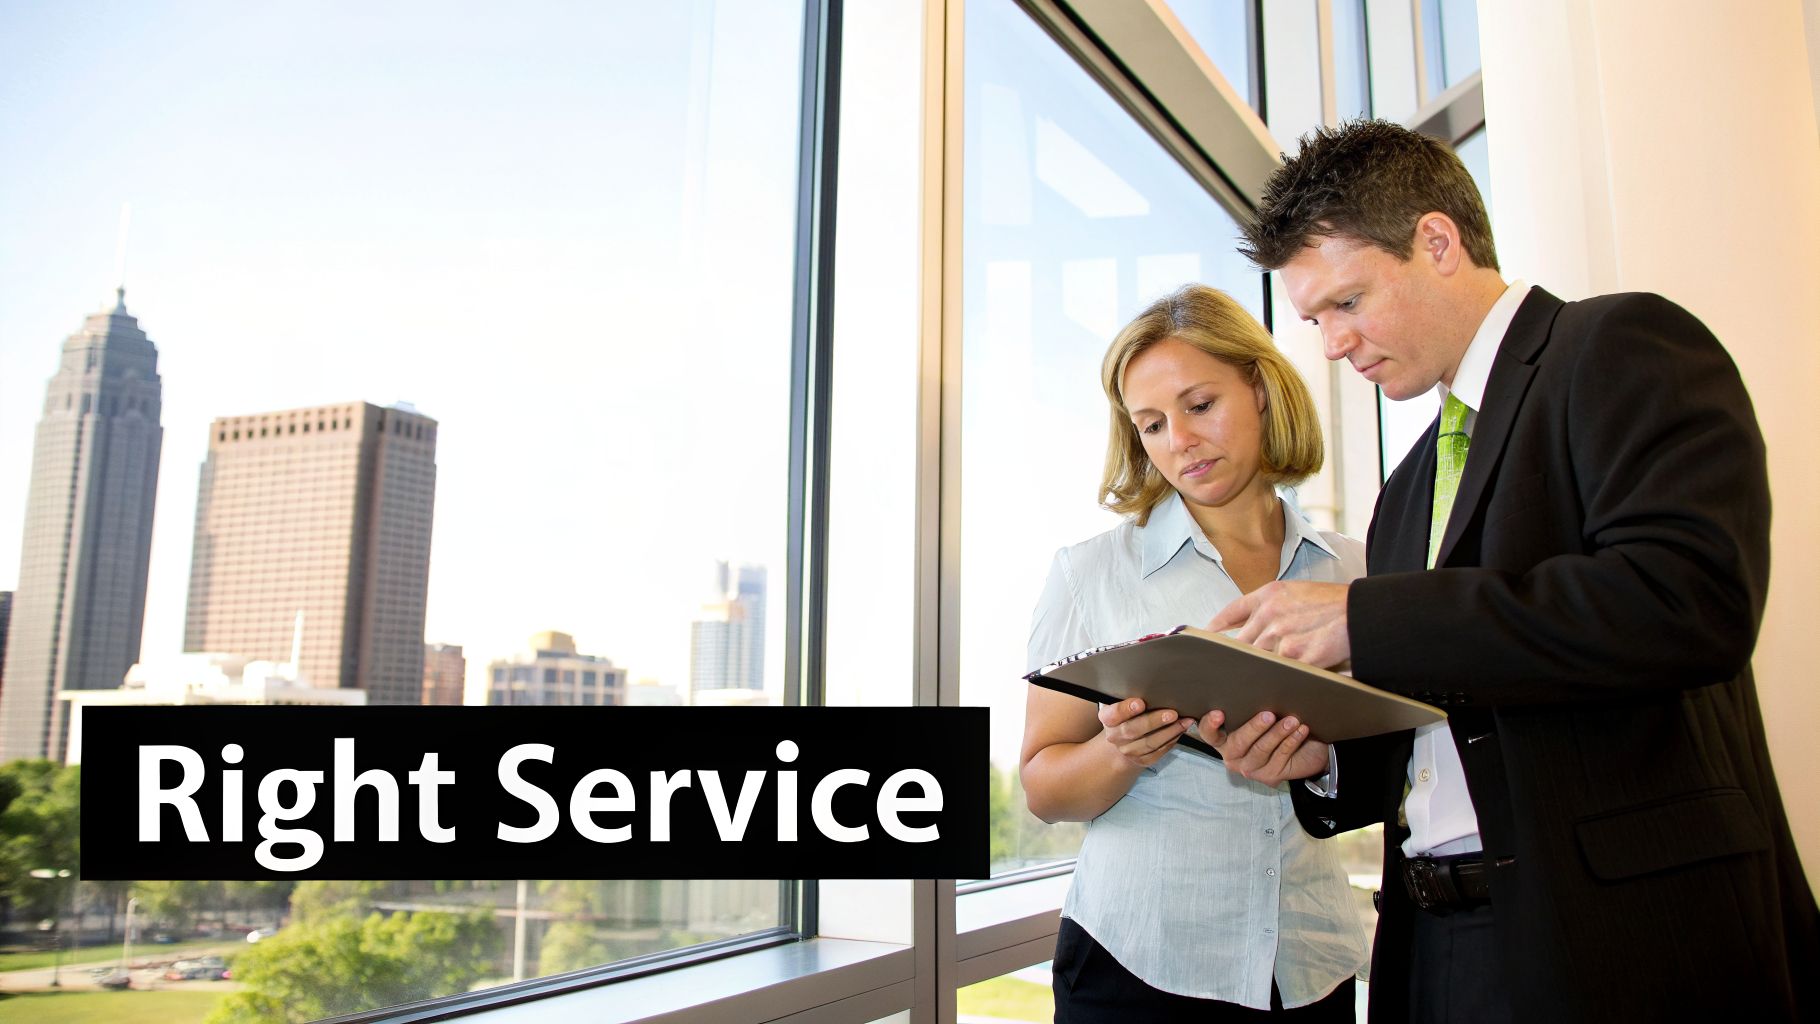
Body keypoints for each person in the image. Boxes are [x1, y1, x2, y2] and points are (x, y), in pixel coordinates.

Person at [1200, 119, 1819, 1022]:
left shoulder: (1618, 347)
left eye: (1346, 302)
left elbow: (1691, 600)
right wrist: (1322, 757)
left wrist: (1359, 621)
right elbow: (1441, 723)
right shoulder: (1406, 491)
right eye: (1314, 320)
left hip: (1628, 941)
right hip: (1438, 951)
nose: (1332, 344)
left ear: (1437, 242)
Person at [1021, 284, 1365, 1022]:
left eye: (1199, 405)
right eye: (1150, 424)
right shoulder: (1089, 574)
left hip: (1309, 965)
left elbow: (1391, 766)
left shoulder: (1352, 575)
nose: (1178, 440)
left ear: (1262, 391)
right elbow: (1043, 788)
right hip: (1136, 967)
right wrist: (1122, 751)